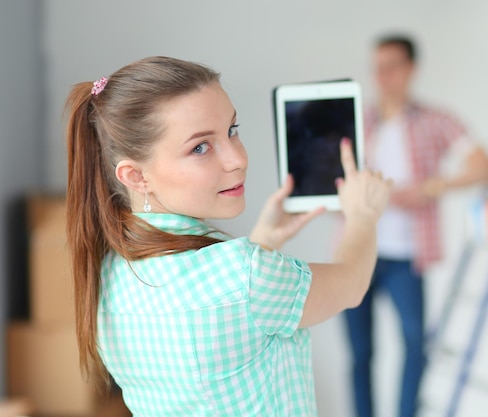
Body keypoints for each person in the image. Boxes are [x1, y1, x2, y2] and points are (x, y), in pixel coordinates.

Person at [64, 56, 392, 417]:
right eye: (200, 147)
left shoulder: (110, 271)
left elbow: (229, 320)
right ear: (136, 177)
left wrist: (264, 240)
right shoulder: (245, 275)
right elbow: (353, 283)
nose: (237, 158)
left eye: (232, 130)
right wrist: (362, 215)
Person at [344, 35, 488, 417]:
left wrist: (433, 187)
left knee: (415, 343)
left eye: (392, 66)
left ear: (411, 69)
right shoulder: (356, 123)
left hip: (407, 255)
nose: (383, 76)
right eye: (377, 67)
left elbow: (484, 166)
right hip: (356, 252)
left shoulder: (436, 120)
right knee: (360, 352)